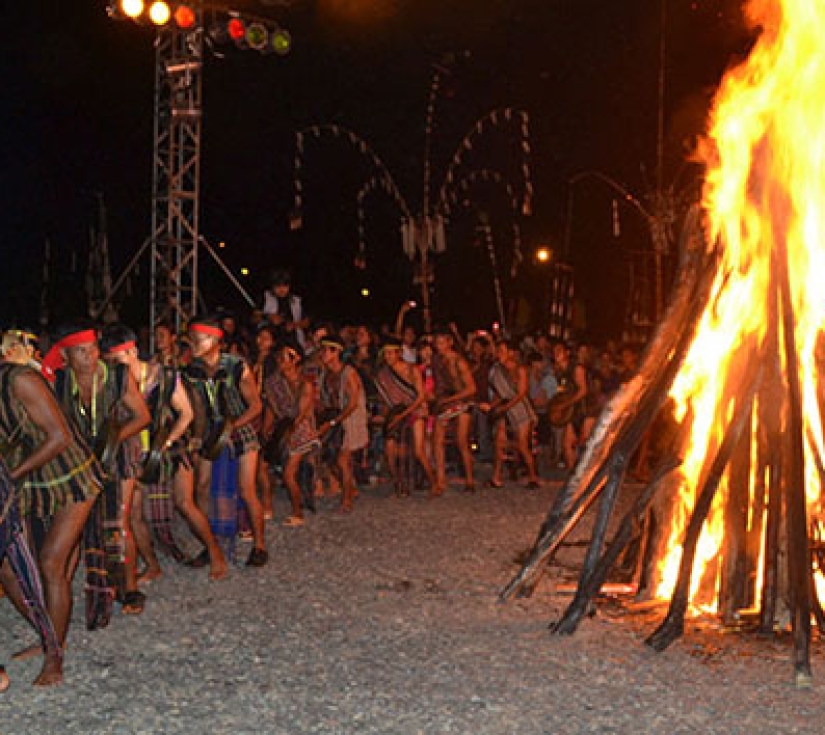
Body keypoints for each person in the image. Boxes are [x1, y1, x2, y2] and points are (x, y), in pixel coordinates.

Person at [0, 349, 102, 686]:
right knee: (10, 570)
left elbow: (61, 437)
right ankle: (48, 635)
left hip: (71, 475)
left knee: (50, 564)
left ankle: (54, 657)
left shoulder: (20, 380)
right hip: (33, 478)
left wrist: (12, 476)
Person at [101, 324, 228, 583]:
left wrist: (165, 443)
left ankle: (216, 554)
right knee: (134, 513)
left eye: (118, 359)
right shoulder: (113, 381)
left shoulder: (164, 376)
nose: (116, 365)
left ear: (133, 351)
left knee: (186, 504)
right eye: (111, 361)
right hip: (134, 453)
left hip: (170, 448)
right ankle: (151, 564)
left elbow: (187, 414)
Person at [52, 323, 151, 618]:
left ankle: (129, 587)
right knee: (76, 526)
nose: (90, 356)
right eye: (81, 352)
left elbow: (142, 417)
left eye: (93, 348)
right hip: (82, 461)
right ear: (66, 357)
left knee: (118, 524)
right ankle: (62, 588)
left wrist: (109, 441)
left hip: (119, 454)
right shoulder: (58, 382)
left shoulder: (118, 376)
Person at [185, 317, 268, 567]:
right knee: (201, 487)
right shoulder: (193, 370)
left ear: (214, 340)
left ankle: (259, 545)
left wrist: (231, 426)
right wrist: (197, 438)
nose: (193, 344)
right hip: (212, 431)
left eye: (197, 339)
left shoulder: (237, 366)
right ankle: (208, 544)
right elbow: (199, 410)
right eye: (192, 339)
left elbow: (256, 406)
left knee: (247, 490)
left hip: (240, 429)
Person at [263, 341, 319, 525]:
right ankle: (268, 506)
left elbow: (302, 414)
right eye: (279, 357)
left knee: (288, 475)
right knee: (265, 469)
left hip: (301, 432)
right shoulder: (273, 382)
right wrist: (268, 431)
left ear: (296, 360)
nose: (281, 360)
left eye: (285, 357)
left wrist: (287, 434)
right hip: (282, 430)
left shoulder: (305, 384)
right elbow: (272, 408)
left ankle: (298, 513)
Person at [373, 337, 436, 496]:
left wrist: (403, 414)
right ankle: (398, 483)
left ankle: (433, 482)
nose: (388, 357)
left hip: (415, 410)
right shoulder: (383, 374)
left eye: (391, 353)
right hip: (396, 412)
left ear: (399, 353)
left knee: (419, 451)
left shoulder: (411, 369)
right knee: (389, 449)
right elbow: (385, 400)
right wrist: (385, 416)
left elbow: (421, 396)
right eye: (385, 353)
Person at [318, 335, 368, 512]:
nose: (323, 354)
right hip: (335, 418)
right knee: (331, 460)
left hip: (351, 418)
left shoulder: (349, 373)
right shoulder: (325, 374)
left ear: (337, 352)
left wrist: (332, 422)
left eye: (327, 350)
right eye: (322, 350)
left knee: (342, 460)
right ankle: (350, 489)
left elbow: (353, 403)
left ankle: (347, 500)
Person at [484, 340, 540, 488]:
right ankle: (496, 477)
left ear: (510, 352)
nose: (499, 353)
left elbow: (521, 393)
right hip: (504, 410)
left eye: (502, 350)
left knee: (522, 445)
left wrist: (506, 407)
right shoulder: (497, 370)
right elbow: (499, 394)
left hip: (520, 410)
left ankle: (533, 477)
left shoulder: (520, 369)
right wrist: (492, 406)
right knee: (499, 443)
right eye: (498, 350)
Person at [431, 329, 476, 494]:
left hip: (462, 402)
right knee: (437, 439)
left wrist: (451, 399)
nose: (439, 346)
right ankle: (441, 480)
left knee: (461, 441)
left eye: (442, 342)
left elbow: (471, 388)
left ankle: (470, 479)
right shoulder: (436, 360)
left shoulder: (459, 361)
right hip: (444, 403)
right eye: (437, 343)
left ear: (449, 342)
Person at [262, 269, 309, 350]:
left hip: (294, 342)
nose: (281, 289)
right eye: (278, 286)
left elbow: (306, 322)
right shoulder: (265, 297)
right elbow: (254, 318)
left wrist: (294, 325)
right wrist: (268, 317)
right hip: (271, 343)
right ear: (272, 286)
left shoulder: (296, 300)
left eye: (285, 286)